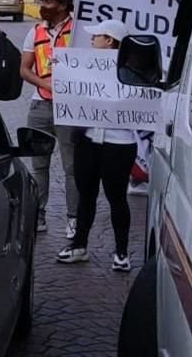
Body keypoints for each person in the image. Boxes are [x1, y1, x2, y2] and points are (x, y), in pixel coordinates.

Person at [56, 20, 138, 272]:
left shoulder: (133, 71)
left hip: (119, 144)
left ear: (110, 41)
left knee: (116, 198)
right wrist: (62, 72)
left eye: (97, 37)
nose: (91, 41)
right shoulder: (84, 67)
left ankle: (122, 252)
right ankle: (79, 245)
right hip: (89, 141)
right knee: (86, 195)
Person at [20, 0, 78, 236]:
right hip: (40, 105)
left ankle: (73, 219)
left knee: (72, 168)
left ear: (63, 6)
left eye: (48, 1)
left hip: (70, 108)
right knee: (38, 166)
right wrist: (45, 84)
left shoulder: (79, 32)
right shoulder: (35, 32)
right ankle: (39, 215)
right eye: (42, 1)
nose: (43, 5)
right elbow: (24, 69)